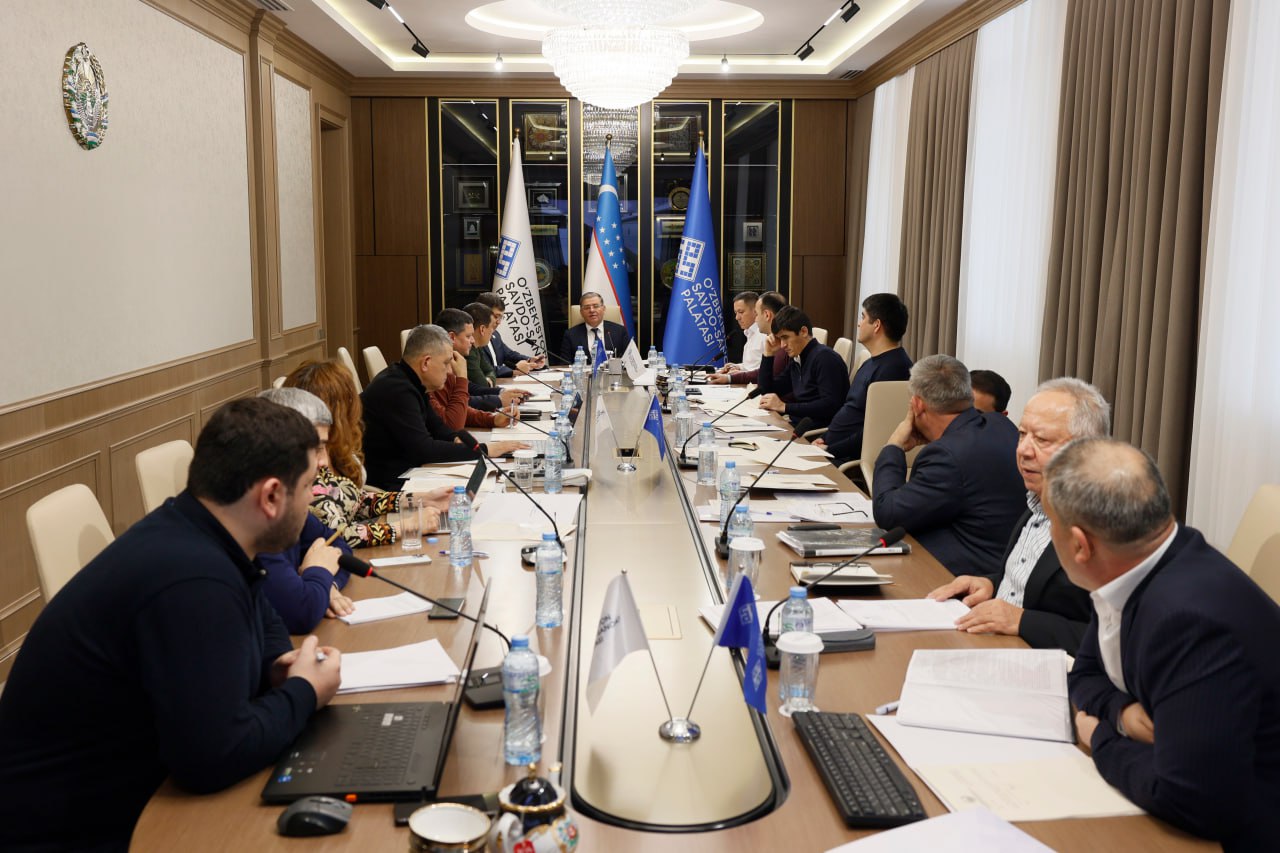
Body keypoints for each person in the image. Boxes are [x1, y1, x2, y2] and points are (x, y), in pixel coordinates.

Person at [0, 398, 342, 851]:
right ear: (271, 496)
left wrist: (279, 666)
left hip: (123, 795)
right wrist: (304, 692)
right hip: (73, 833)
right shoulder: (193, 578)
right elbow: (212, 756)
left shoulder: (201, 532)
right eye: (309, 486)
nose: (312, 499)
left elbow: (267, 631)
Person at [1046, 439, 1280, 848]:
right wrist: (1122, 714)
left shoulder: (1189, 622)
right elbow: (1084, 674)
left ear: (1081, 545)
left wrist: (1098, 735)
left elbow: (1191, 799)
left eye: (1050, 523)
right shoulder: (1133, 565)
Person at [927, 378, 1109, 650]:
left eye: (1041, 439)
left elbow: (1119, 641)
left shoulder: (1107, 527)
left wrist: (1022, 621)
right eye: (1023, 434)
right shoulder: (1037, 501)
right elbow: (1035, 584)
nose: (1023, 450)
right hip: (992, 645)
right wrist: (991, 583)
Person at [871, 354, 1024, 576]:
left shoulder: (946, 456)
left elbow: (888, 514)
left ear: (917, 404)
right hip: (1008, 566)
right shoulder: (1000, 424)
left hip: (963, 575)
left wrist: (893, 445)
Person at [284, 360, 455, 547]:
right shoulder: (306, 464)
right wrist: (407, 526)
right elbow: (337, 536)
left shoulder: (329, 450)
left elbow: (356, 502)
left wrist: (422, 499)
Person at [361, 324, 526, 490]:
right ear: (426, 362)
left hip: (412, 472)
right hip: (392, 486)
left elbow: (440, 429)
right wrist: (485, 450)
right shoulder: (397, 389)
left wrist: (463, 441)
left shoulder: (411, 381)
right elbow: (424, 449)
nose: (449, 371)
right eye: (446, 363)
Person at [256, 387, 355, 633]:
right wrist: (319, 573)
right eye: (317, 448)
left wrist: (325, 584)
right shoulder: (257, 511)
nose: (324, 461)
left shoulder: (290, 499)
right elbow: (300, 612)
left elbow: (339, 549)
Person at [815, 293, 913, 464]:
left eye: (863, 317)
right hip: (830, 450)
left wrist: (830, 450)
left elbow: (875, 431)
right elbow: (850, 410)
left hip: (845, 461)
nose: (859, 323)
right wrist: (824, 438)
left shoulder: (894, 369)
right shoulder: (871, 362)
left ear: (876, 325)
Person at [756, 305, 850, 428]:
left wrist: (784, 407)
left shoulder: (825, 358)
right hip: (796, 425)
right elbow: (765, 390)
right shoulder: (798, 358)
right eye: (780, 339)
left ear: (804, 332)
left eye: (785, 337)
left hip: (813, 432)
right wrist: (768, 354)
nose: (783, 345)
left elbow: (830, 405)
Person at [435, 308, 526, 412]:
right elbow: (460, 404)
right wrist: (499, 400)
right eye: (468, 336)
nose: (472, 341)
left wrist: (502, 392)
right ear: (452, 337)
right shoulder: (437, 367)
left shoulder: (456, 358)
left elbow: (472, 387)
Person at [708, 290, 788, 386]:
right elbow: (764, 374)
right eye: (736, 313)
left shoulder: (775, 342)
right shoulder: (757, 335)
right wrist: (738, 369)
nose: (737, 318)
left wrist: (733, 377)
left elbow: (768, 376)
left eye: (757, 314)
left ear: (766, 315)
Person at [475, 291, 544, 377]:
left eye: (501, 317)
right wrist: (514, 370)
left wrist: (530, 361)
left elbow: (509, 354)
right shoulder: (473, 337)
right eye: (496, 316)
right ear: (483, 313)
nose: (499, 322)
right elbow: (484, 370)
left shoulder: (495, 334)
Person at [560, 291, 632, 365]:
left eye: (596, 306)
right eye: (587, 307)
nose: (592, 310)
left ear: (603, 309)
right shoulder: (571, 335)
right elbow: (565, 364)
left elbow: (629, 361)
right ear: (581, 312)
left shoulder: (619, 331)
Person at [715, 292, 763, 372]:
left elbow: (765, 370)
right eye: (735, 313)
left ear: (755, 311)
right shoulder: (750, 333)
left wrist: (737, 375)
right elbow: (752, 366)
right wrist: (738, 366)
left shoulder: (764, 334)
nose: (737, 317)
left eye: (741, 312)